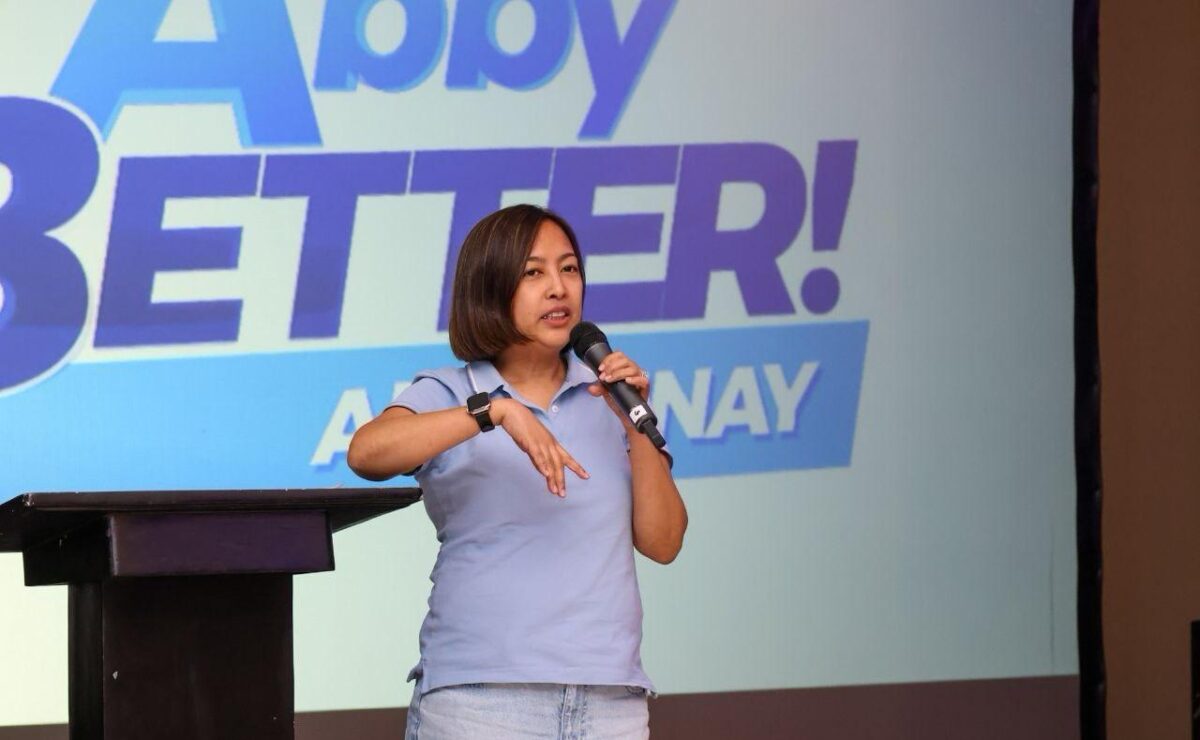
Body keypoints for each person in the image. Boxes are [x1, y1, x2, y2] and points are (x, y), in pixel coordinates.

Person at [347, 204, 688, 739]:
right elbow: (367, 452)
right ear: (490, 289)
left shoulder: (610, 398)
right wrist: (494, 411)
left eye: (569, 269)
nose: (558, 288)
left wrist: (634, 427)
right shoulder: (450, 390)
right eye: (534, 273)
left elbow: (664, 542)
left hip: (609, 703)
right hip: (482, 701)